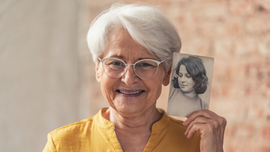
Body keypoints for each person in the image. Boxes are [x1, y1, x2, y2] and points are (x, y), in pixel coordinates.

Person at [43, 3, 226, 152]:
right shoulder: (62, 145)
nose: (129, 79)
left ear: (168, 73)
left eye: (145, 64)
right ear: (98, 69)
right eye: (115, 63)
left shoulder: (197, 143)